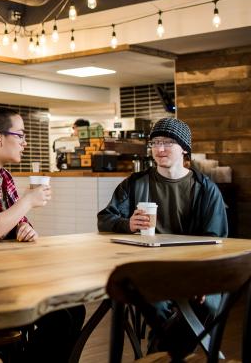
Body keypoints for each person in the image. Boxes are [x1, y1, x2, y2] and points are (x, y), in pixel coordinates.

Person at [0, 106, 85, 361]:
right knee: (61, 316)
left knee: (72, 308)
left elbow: (18, 223)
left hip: (4, 273)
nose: (25, 142)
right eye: (20, 135)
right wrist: (27, 201)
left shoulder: (4, 177)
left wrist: (26, 229)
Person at [97, 117, 228, 353]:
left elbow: (216, 240)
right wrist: (127, 224)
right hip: (150, 268)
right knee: (155, 302)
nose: (159, 149)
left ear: (185, 149)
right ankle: (169, 354)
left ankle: (160, 352)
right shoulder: (135, 183)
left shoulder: (205, 188)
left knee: (208, 304)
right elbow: (105, 218)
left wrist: (201, 276)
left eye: (168, 142)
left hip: (193, 267)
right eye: (155, 142)